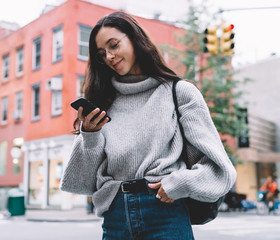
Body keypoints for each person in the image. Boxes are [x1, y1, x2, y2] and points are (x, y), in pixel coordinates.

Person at [60, 11, 237, 240]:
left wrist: (179, 183)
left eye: (113, 45)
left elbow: (220, 169)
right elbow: (82, 181)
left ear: (134, 38)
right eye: (102, 54)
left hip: (166, 212)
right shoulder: (103, 102)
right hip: (116, 219)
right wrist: (90, 136)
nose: (109, 56)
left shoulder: (178, 92)